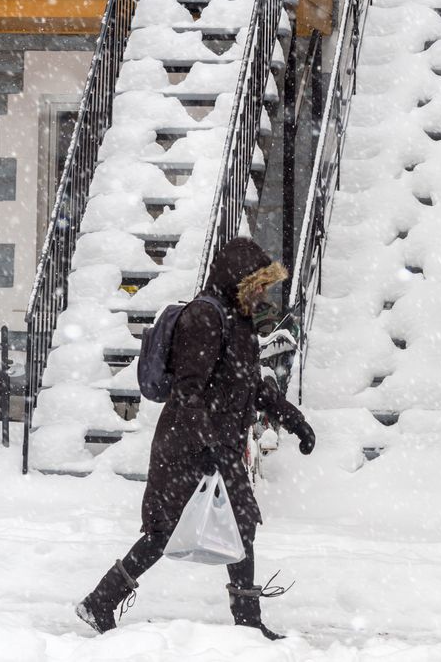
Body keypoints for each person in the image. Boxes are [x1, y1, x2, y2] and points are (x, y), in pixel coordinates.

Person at [75, 237, 317, 641]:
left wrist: (294, 420)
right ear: (240, 283)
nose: (263, 294)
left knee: (239, 525)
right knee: (165, 532)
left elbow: (252, 386)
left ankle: (246, 623)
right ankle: (102, 601)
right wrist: (207, 447)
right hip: (187, 446)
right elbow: (188, 391)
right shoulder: (204, 319)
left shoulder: (239, 322)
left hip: (216, 445)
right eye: (259, 285)